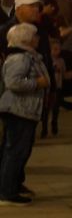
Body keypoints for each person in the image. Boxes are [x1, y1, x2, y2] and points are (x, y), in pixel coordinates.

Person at [0, 22, 48, 206]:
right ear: (26, 38)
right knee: (15, 151)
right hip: (19, 109)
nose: (38, 39)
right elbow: (13, 82)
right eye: (34, 35)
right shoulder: (20, 58)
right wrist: (37, 83)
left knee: (17, 150)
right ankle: (7, 191)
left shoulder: (27, 56)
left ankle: (11, 186)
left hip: (24, 109)